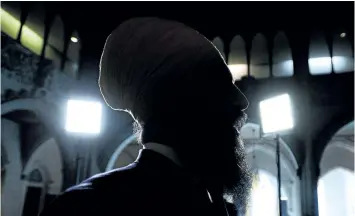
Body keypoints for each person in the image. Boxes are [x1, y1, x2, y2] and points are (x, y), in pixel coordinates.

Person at [41, 17, 252, 216]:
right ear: (178, 101)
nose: (241, 101)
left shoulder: (215, 204)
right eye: (219, 86)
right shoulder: (86, 208)